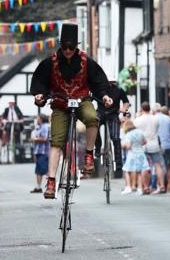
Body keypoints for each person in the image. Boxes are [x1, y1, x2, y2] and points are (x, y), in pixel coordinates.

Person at [30, 23, 113, 199]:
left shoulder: (86, 61)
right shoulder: (50, 63)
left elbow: (98, 83)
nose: (68, 50)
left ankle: (89, 155)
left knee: (92, 117)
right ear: (61, 45)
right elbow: (41, 85)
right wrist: (40, 96)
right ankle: (51, 182)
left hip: (82, 100)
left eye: (71, 47)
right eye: (65, 47)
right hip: (60, 104)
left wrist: (104, 95)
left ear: (76, 46)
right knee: (56, 142)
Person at [94, 80, 130, 173]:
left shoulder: (119, 90)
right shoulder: (99, 89)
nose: (110, 84)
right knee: (93, 125)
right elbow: (90, 98)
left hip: (113, 113)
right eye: (109, 82)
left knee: (115, 138)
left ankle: (118, 163)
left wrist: (124, 109)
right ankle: (98, 147)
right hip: (100, 112)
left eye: (112, 82)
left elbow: (126, 102)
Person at [133, 102, 166, 194]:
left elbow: (135, 131)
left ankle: (146, 187)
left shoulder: (138, 120)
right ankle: (162, 186)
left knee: (144, 167)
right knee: (158, 165)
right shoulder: (155, 119)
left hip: (143, 145)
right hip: (154, 143)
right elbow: (156, 129)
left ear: (142, 109)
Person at [121, 120, 149, 195]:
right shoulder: (140, 132)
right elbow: (145, 142)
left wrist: (123, 146)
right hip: (141, 153)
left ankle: (128, 187)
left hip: (132, 154)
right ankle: (140, 189)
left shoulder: (128, 134)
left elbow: (128, 146)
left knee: (127, 170)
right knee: (139, 171)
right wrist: (138, 144)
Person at [30, 114, 50, 193]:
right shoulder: (40, 127)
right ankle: (38, 187)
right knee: (38, 170)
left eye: (38, 118)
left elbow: (45, 138)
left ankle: (51, 185)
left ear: (41, 119)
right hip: (39, 151)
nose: (37, 120)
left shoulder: (45, 127)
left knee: (44, 169)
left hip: (43, 151)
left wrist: (35, 139)